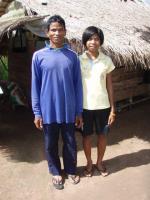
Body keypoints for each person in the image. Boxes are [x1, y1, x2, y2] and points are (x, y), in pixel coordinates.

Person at [31, 15, 83, 190]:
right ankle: (55, 172)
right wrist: (37, 112)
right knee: (50, 143)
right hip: (48, 111)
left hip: (68, 110)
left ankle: (70, 169)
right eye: (53, 29)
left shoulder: (73, 56)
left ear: (65, 32)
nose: (57, 33)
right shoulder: (38, 57)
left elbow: (78, 86)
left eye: (60, 29)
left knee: (70, 142)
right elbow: (35, 86)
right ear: (47, 32)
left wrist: (78, 112)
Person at [79, 26, 116, 177]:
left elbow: (109, 86)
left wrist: (113, 109)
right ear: (85, 41)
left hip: (103, 106)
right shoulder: (78, 60)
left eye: (96, 39)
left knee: (102, 136)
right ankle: (89, 162)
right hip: (84, 107)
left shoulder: (106, 60)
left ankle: (99, 162)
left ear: (100, 41)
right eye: (90, 39)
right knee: (86, 136)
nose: (93, 42)